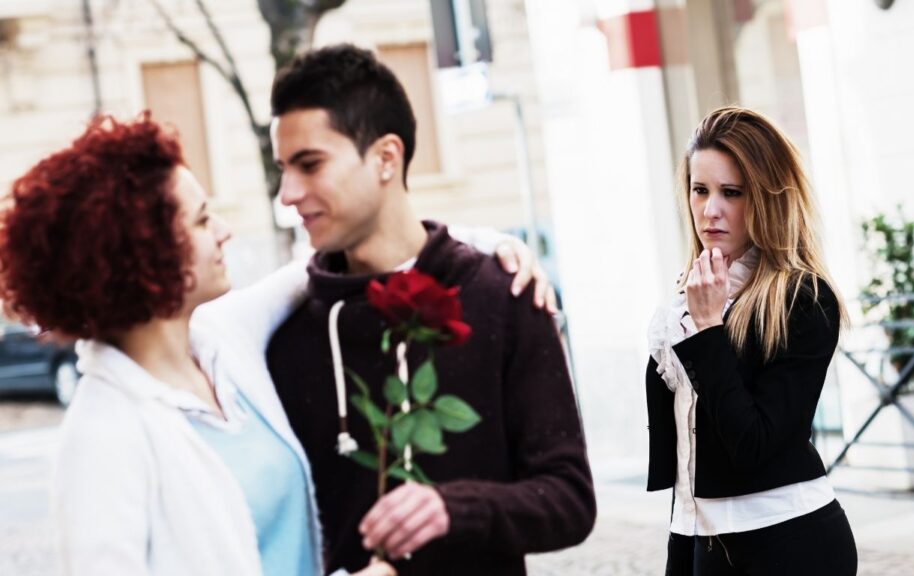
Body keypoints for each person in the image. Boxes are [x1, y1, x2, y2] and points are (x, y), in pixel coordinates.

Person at [0, 114, 545, 575]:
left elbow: (353, 257)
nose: (225, 231)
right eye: (202, 219)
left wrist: (493, 247)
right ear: (143, 253)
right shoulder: (103, 436)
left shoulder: (224, 341)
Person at [265, 43, 596, 575]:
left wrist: (452, 508)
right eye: (282, 168)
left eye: (310, 164)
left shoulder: (505, 297)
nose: (287, 193)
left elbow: (569, 500)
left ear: (386, 158)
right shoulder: (284, 338)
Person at [645, 107, 858, 575]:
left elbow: (754, 444)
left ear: (764, 198)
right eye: (700, 190)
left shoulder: (802, 299)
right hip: (695, 530)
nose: (710, 209)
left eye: (731, 193)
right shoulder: (688, 298)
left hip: (787, 539)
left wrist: (707, 332)